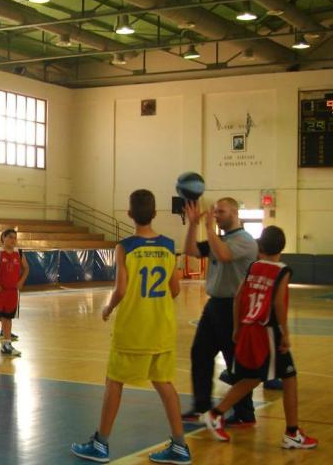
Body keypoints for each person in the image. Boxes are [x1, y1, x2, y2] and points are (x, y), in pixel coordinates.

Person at [72, 189, 191, 464]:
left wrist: (108, 307)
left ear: (129, 214)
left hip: (134, 328)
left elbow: (121, 290)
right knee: (164, 383)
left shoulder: (125, 247)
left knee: (114, 382)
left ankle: (100, 444)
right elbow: (175, 289)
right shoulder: (168, 245)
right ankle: (180, 445)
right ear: (155, 213)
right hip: (162, 327)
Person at [201, 226, 318, 450]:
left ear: (261, 246)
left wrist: (237, 327)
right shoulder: (282, 270)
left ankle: (215, 414)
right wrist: (285, 332)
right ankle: (292, 433)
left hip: (249, 327)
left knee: (253, 378)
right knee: (289, 377)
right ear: (282, 247)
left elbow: (238, 297)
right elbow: (278, 303)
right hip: (268, 330)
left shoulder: (254, 267)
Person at [182, 197, 258, 425]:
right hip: (214, 305)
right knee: (200, 353)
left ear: (234, 213)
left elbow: (224, 255)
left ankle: (245, 413)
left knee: (234, 360)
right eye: (214, 212)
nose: (215, 215)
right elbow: (190, 250)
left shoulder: (245, 240)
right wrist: (193, 225)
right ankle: (201, 405)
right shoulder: (220, 239)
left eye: (221, 212)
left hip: (233, 307)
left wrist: (208, 229)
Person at [0, 228, 29, 358]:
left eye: (15, 238)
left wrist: (21, 281)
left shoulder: (19, 253)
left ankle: (7, 345)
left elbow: (26, 268)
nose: (13, 240)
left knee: (8, 319)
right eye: (10, 237)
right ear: (3, 238)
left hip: (12, 292)